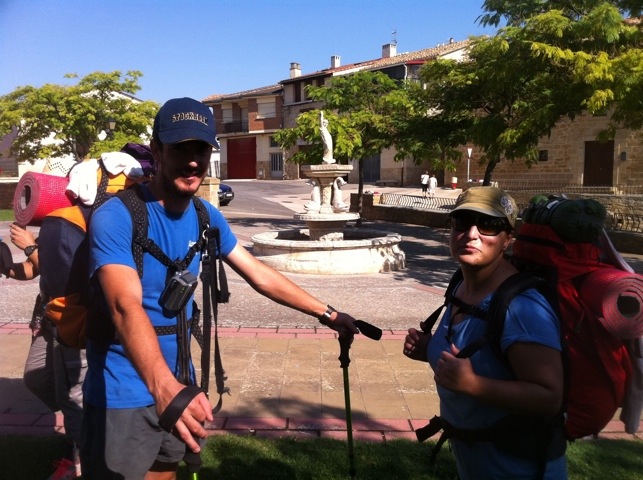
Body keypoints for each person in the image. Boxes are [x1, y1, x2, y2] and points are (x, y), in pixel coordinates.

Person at [81, 97, 360, 479]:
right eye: (181, 148)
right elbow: (123, 306)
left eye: (200, 149)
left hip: (180, 381)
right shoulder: (116, 216)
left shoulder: (205, 215)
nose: (193, 161)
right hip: (123, 389)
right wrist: (163, 388)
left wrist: (327, 313)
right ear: (157, 150)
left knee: (166, 471)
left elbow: (257, 273)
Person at [403, 186, 567, 479]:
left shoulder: (523, 307)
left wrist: (473, 384)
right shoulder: (459, 285)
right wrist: (429, 349)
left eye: (489, 225)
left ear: (508, 238)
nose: (471, 234)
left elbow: (550, 397)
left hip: (520, 470)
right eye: (462, 222)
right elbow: (475, 355)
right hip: (475, 464)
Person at [4, 222, 85, 479]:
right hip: (48, 318)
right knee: (37, 376)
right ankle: (86, 427)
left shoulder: (82, 220)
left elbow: (63, 274)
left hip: (73, 318)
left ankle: (80, 462)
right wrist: (6, 266)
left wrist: (30, 248)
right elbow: (34, 268)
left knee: (73, 395)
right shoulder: (54, 223)